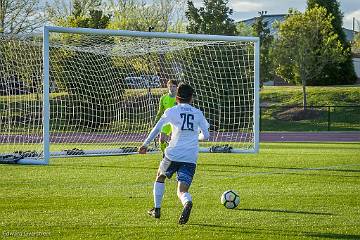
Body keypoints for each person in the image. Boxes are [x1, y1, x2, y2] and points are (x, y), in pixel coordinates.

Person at [139, 83, 210, 225]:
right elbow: (206, 135)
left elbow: (157, 128)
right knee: (182, 190)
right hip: (190, 157)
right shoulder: (198, 113)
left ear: (177, 98)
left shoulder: (172, 111)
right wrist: (195, 137)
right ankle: (187, 202)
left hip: (173, 154)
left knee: (160, 176)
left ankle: (157, 209)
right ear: (191, 99)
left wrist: (145, 144)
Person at [155, 80, 178, 153]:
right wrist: (156, 121)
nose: (172, 88)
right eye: (170, 86)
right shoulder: (163, 98)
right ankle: (164, 154)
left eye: (174, 86)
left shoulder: (179, 98)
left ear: (177, 88)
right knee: (162, 139)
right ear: (168, 87)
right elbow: (160, 111)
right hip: (166, 121)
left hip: (177, 122)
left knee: (173, 140)